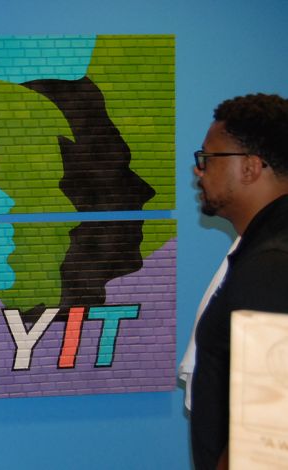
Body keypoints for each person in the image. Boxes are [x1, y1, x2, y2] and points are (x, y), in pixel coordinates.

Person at [188, 93, 288, 469]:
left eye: (208, 159)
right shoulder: (262, 250)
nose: (199, 170)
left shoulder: (272, 266)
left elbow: (270, 429)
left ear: (249, 167)